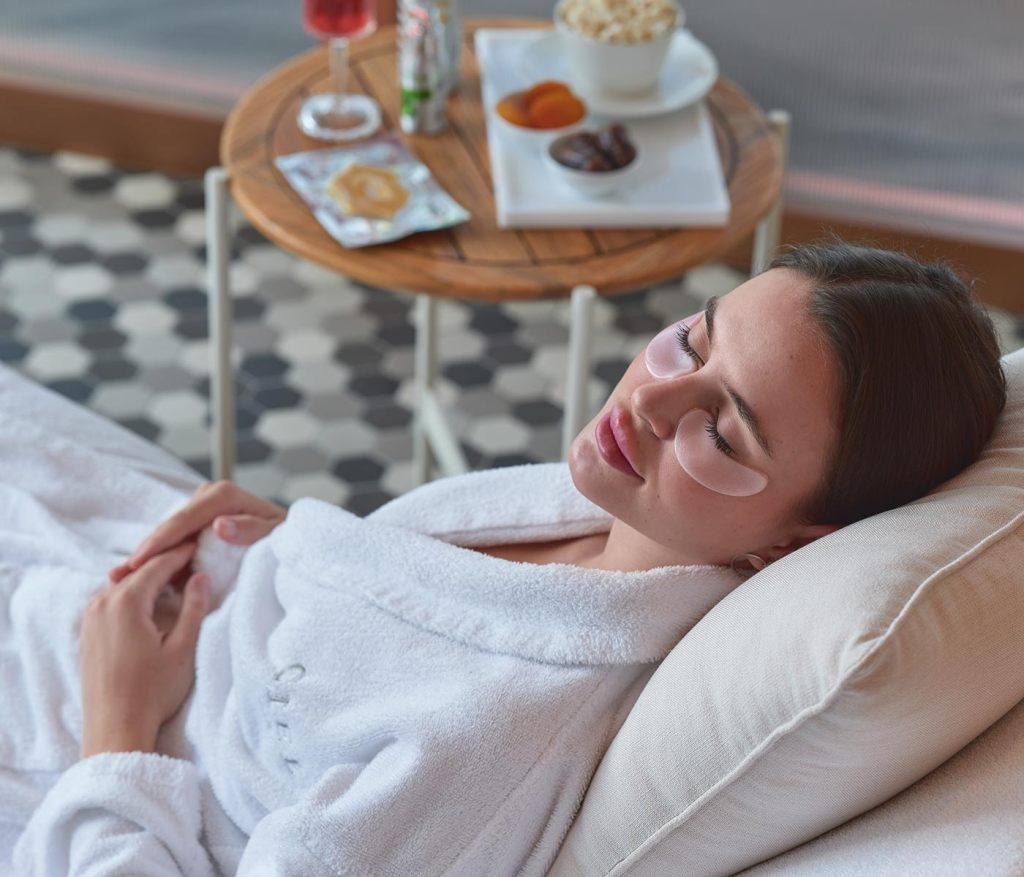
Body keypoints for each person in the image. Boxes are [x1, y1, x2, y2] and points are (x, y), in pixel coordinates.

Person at [5, 239, 1006, 875]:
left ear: (796, 542)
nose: (650, 401)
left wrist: (118, 728)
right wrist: (310, 555)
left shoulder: (512, 729)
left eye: (726, 430)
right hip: (142, 623)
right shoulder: (606, 512)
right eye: (690, 340)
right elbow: (401, 629)